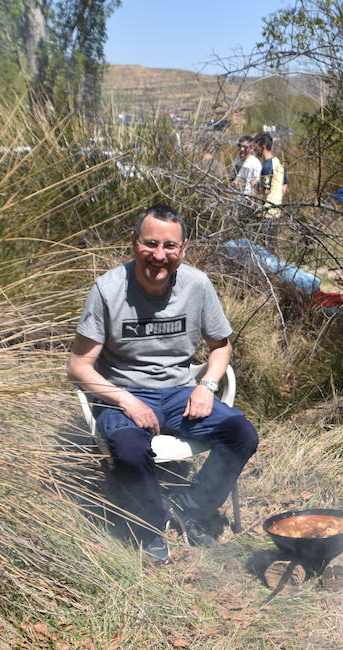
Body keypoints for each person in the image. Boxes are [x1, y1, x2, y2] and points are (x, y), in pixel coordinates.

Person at [67, 204, 260, 563]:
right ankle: (150, 524)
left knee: (242, 434)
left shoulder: (197, 285)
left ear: (183, 248)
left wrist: (207, 386)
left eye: (169, 246)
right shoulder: (108, 290)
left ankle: (191, 506)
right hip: (122, 390)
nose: (159, 256)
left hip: (179, 390)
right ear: (134, 242)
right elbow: (79, 366)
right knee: (128, 447)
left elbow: (221, 346)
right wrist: (125, 400)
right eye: (150, 243)